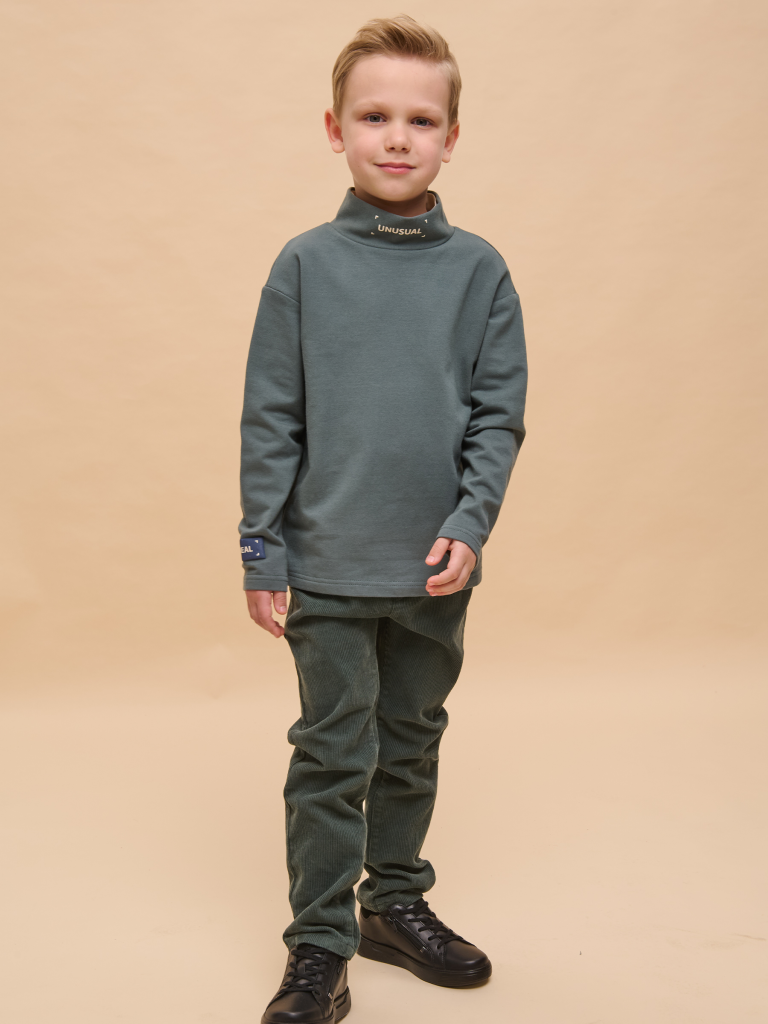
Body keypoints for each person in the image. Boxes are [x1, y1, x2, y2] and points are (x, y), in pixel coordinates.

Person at [238, 14, 528, 1023]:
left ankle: (392, 902)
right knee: (333, 754)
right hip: (325, 564)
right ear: (336, 129)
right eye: (374, 117)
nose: (397, 137)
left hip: (433, 566)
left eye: (420, 119)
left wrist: (472, 522)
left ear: (452, 137)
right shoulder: (304, 265)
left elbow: (497, 415)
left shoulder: (480, 272)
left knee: (410, 740)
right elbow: (271, 417)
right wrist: (262, 547)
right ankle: (318, 945)